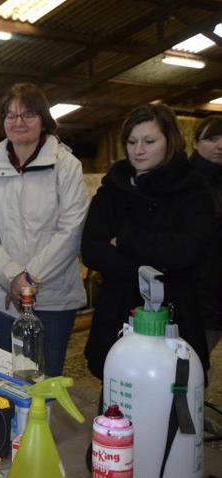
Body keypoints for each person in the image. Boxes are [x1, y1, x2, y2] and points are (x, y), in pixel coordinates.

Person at [82, 103, 215, 380]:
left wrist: (126, 241)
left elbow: (187, 250)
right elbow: (92, 250)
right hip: (118, 311)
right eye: (131, 141)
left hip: (174, 315)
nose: (138, 150)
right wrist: (155, 263)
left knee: (170, 394)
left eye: (149, 141)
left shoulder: (192, 190)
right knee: (117, 398)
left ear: (170, 141)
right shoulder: (113, 189)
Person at [0, 83, 88, 377]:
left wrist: (28, 278)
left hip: (52, 295)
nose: (18, 122)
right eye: (10, 116)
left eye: (28, 114)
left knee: (45, 377)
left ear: (43, 119)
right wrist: (11, 275)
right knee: (10, 374)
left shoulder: (65, 165)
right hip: (3, 293)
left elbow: (71, 228)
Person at [190, 115, 222, 353]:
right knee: (193, 364)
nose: (220, 145)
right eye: (212, 139)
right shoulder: (184, 182)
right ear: (195, 143)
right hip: (197, 292)